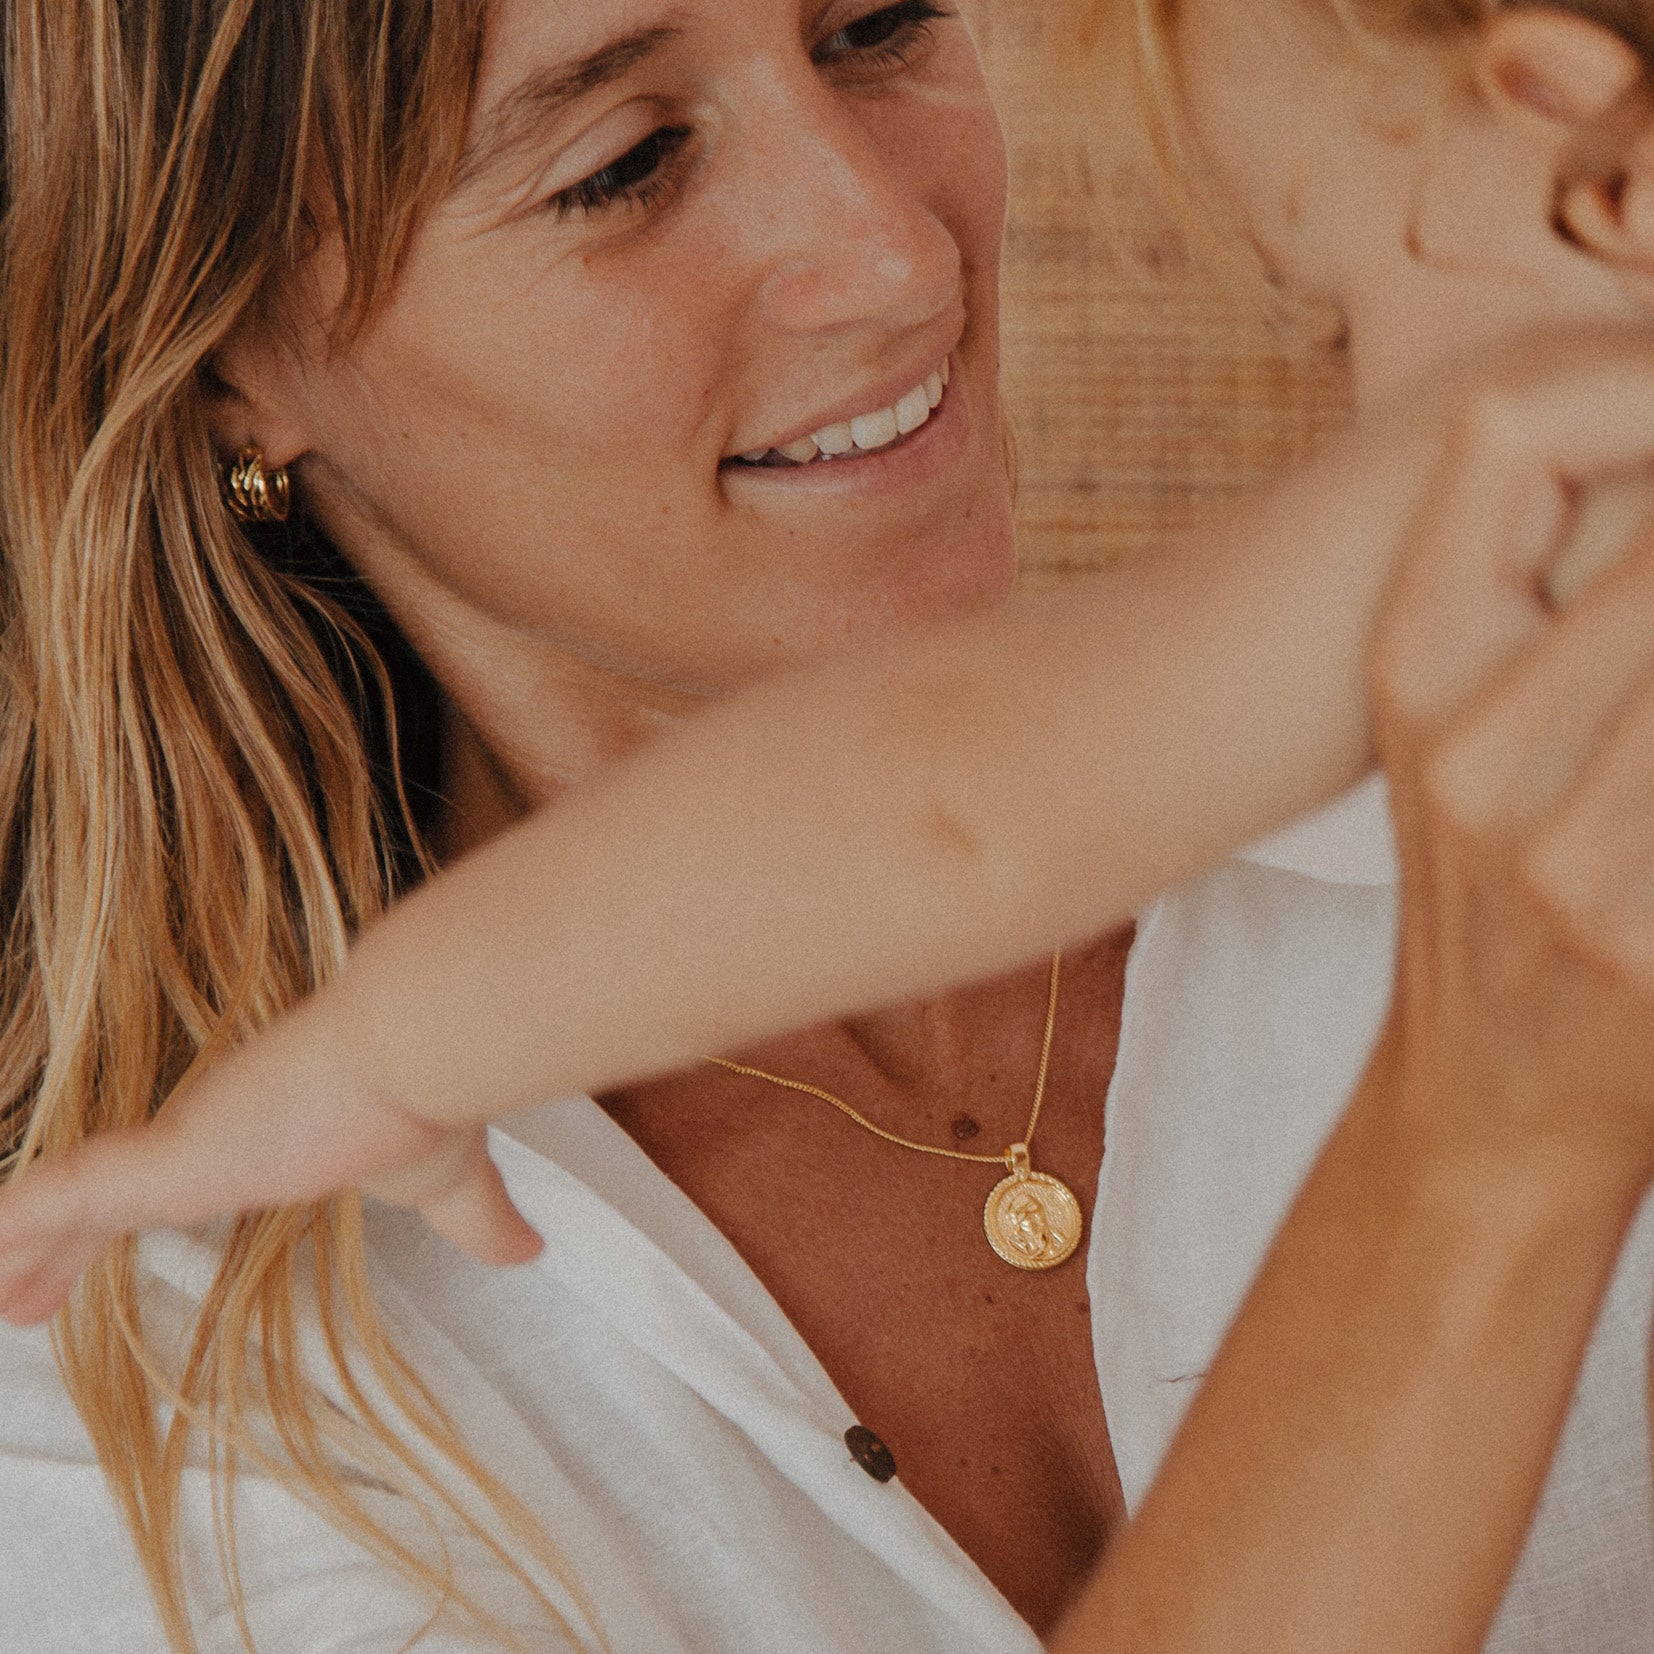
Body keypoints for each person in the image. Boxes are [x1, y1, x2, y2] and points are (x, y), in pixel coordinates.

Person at [5, 0, 1654, 1650]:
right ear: (237, 355)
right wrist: (394, 1045)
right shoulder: (149, 1402)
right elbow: (946, 804)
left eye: (878, 25)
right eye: (622, 162)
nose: (898, 260)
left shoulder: (1519, 493)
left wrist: (383, 1052)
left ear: (1590, 166)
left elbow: (951, 806)